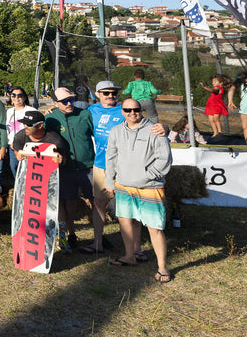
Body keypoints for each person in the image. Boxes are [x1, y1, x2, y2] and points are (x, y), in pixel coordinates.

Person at [105, 100, 174, 283]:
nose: (132, 113)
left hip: (150, 187)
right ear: (122, 111)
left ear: (141, 110)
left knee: (155, 228)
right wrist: (110, 182)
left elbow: (164, 159)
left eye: (136, 110)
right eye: (127, 110)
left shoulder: (155, 130)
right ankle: (130, 256)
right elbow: (111, 157)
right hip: (123, 186)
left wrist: (146, 176)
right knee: (126, 222)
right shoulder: (116, 131)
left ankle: (162, 267)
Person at [45, 87, 96, 252]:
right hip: (65, 168)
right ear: (55, 103)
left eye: (72, 100)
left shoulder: (85, 114)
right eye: (65, 101)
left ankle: (99, 237)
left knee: (96, 201)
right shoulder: (50, 119)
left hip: (88, 166)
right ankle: (70, 234)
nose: (69, 103)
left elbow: (98, 135)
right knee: (69, 202)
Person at [83, 80, 125, 254]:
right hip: (100, 164)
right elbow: (74, 120)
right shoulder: (91, 110)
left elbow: (147, 125)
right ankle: (97, 243)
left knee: (125, 206)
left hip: (122, 166)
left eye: (113, 93)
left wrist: (164, 127)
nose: (110, 96)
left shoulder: (126, 109)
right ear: (97, 94)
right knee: (99, 204)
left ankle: (133, 248)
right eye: (106, 93)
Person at [5, 86, 37, 178]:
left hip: (27, 146)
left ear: (24, 97)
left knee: (28, 170)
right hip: (12, 147)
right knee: (14, 168)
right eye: (13, 95)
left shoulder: (31, 110)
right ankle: (19, 188)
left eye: (19, 95)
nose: (16, 98)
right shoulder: (9, 111)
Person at [202, 74, 232, 140]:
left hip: (216, 106)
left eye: (215, 82)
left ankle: (220, 132)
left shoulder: (219, 88)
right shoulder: (215, 87)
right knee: (210, 120)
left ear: (221, 83)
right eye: (213, 82)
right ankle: (215, 132)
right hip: (210, 106)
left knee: (216, 119)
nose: (213, 83)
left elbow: (213, 90)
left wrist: (205, 87)